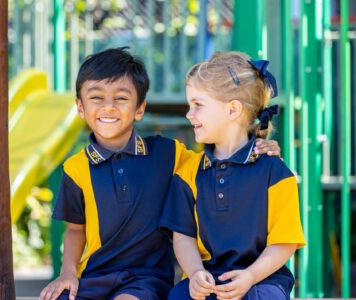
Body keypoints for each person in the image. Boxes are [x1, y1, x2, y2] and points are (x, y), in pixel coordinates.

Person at [40, 48, 281, 300]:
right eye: (96, 98)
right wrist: (68, 272)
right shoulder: (75, 168)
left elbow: (222, 159)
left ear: (139, 108)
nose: (108, 107)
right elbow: (75, 229)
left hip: (147, 278)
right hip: (94, 275)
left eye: (121, 98)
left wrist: (259, 147)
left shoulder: (169, 154)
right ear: (80, 106)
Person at [160, 51, 306, 300]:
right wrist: (195, 273)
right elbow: (182, 236)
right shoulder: (187, 172)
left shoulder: (276, 172)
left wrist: (250, 276)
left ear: (232, 110)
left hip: (262, 278)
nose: (189, 113)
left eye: (198, 105)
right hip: (207, 276)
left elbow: (285, 242)